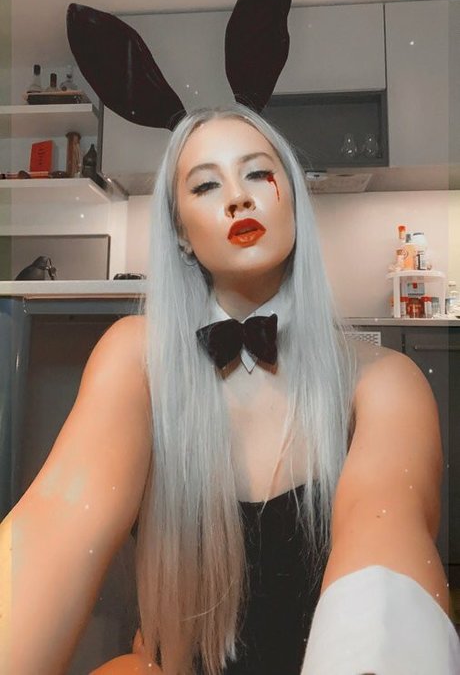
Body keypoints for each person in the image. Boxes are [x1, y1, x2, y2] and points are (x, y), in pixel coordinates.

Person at [1, 105, 459, 675]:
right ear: (181, 234)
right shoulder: (137, 357)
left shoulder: (384, 382)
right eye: (206, 185)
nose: (238, 198)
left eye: (258, 174)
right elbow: (57, 522)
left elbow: (387, 538)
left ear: (294, 203)